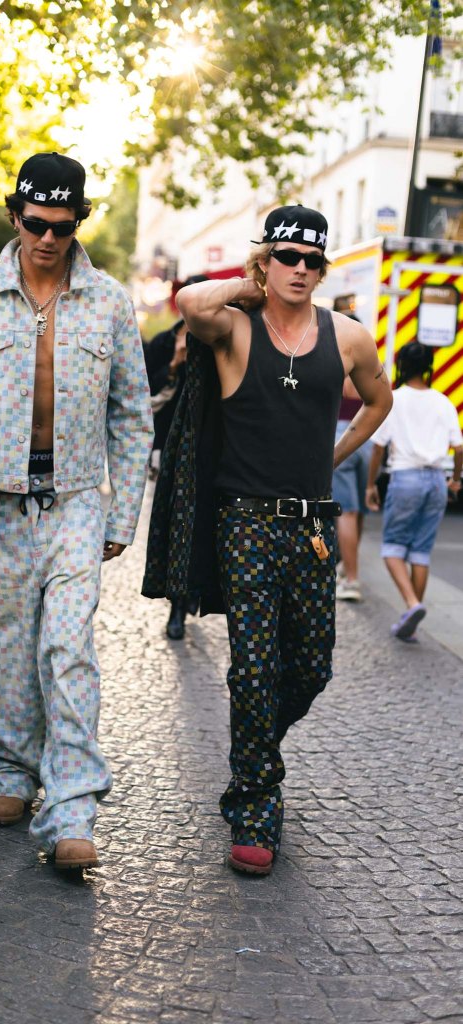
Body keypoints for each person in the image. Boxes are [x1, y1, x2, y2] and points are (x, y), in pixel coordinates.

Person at [0, 152, 153, 870]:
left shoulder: (109, 301)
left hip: (76, 501)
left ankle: (73, 806)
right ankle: (11, 769)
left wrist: (121, 517)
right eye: (35, 223)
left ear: (79, 222)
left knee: (68, 648)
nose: (48, 237)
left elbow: (132, 415)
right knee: (9, 647)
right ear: (14, 216)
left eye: (62, 225)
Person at [147, 204, 392, 876]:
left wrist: (333, 457)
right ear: (266, 261)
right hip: (245, 523)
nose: (301, 269)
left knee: (310, 667)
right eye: (288, 257)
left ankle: (255, 748)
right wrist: (246, 286)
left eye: (313, 260)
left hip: (312, 527)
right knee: (254, 669)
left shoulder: (347, 336)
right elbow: (189, 302)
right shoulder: (235, 327)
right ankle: (255, 804)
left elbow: (379, 401)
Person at [366, 340, 462, 642]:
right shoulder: (443, 402)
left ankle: (412, 605)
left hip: (405, 477)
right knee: (420, 552)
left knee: (393, 548)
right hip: (436, 481)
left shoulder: (394, 400)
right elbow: (459, 448)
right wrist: (455, 480)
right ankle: (411, 619)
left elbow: (378, 449)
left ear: (401, 367)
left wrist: (371, 484)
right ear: (429, 368)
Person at [144, 275, 208, 639]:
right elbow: (145, 391)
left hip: (211, 445)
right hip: (169, 443)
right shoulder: (163, 341)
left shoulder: (222, 338)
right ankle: (177, 606)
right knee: (176, 524)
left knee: (204, 526)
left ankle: (194, 591)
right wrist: (175, 362)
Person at [332, 377, 373, 601]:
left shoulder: (338, 361)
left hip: (342, 435)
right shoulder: (371, 365)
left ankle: (351, 580)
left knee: (347, 512)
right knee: (359, 511)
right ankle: (346, 566)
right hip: (368, 437)